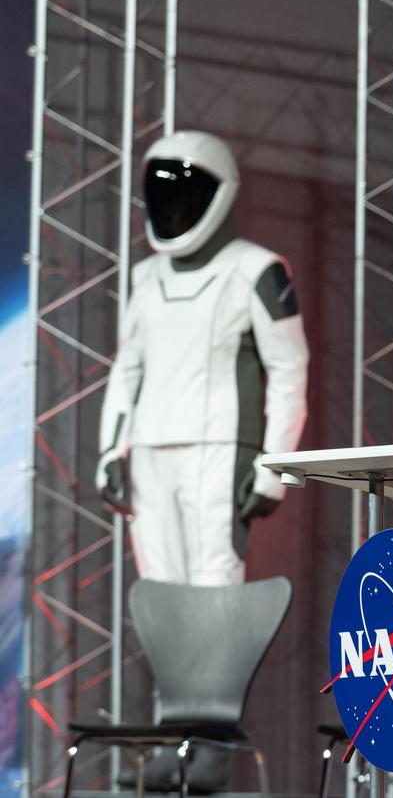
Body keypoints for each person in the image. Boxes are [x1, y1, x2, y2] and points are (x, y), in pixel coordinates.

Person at [97, 130, 309, 589]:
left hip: (218, 451)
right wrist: (111, 450)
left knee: (215, 588)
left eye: (185, 194)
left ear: (219, 194)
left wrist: (273, 466)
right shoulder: (146, 277)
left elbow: (289, 372)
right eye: (163, 194)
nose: (173, 208)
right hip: (150, 451)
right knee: (160, 591)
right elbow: (128, 368)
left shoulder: (257, 270)